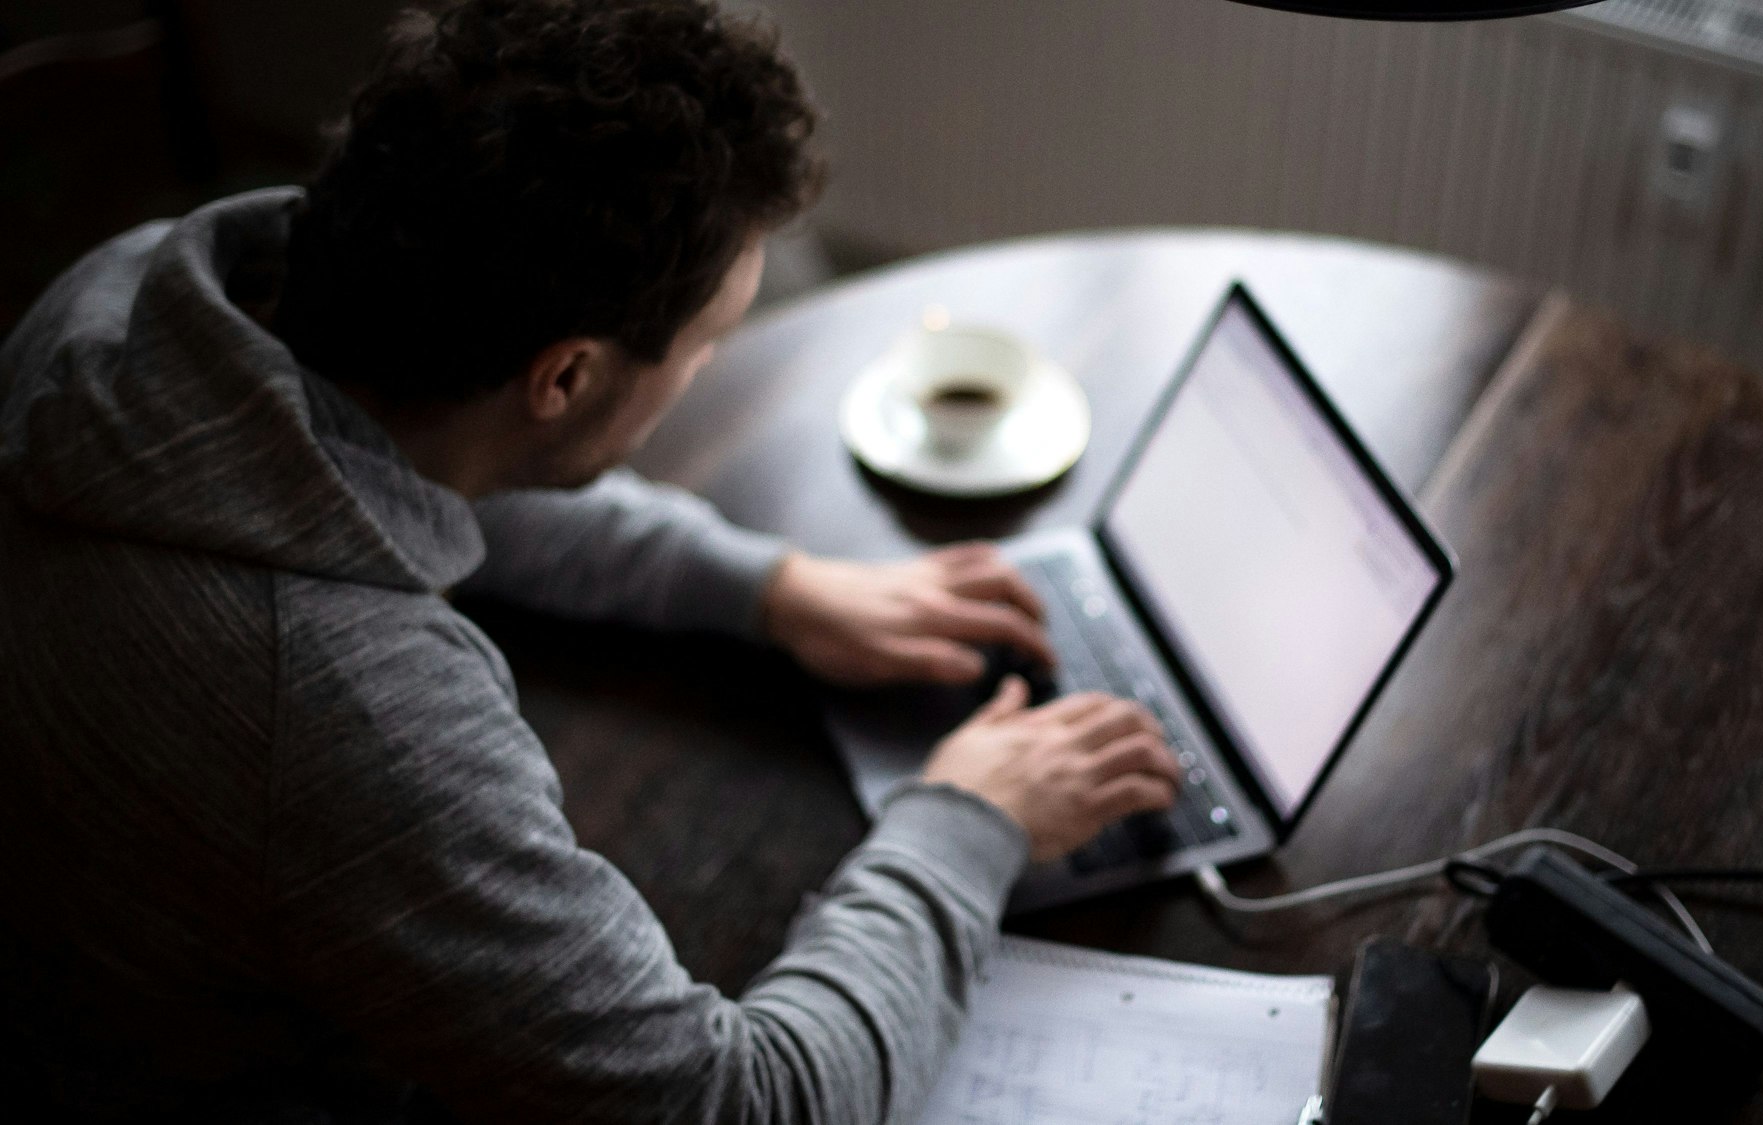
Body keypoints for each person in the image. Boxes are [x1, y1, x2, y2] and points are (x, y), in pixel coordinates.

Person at [0, 0, 1182, 1120]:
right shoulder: (341, 713)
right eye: (709, 344)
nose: (708, 368)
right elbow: (735, 1105)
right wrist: (968, 821)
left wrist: (766, 588)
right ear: (564, 378)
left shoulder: (124, 310)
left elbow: (420, 463)